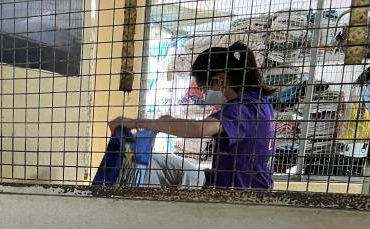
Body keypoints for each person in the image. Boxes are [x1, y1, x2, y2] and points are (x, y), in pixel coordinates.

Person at [109, 42, 277, 190]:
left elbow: (200, 128)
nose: (203, 96)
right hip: (221, 180)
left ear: (218, 81)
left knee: (154, 167)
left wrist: (140, 123)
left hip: (239, 194)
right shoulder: (259, 102)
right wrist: (165, 122)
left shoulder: (244, 107)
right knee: (157, 162)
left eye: (203, 89)